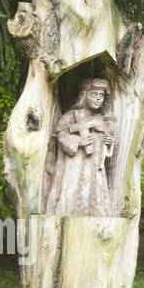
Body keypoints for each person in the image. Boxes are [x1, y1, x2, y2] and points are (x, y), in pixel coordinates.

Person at [46, 77, 117, 216]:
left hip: (94, 166)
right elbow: (61, 135)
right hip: (74, 166)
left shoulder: (104, 120)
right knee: (73, 190)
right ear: (84, 95)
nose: (98, 99)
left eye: (101, 95)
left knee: (94, 192)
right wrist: (78, 142)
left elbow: (106, 145)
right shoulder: (71, 116)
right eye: (94, 94)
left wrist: (109, 143)